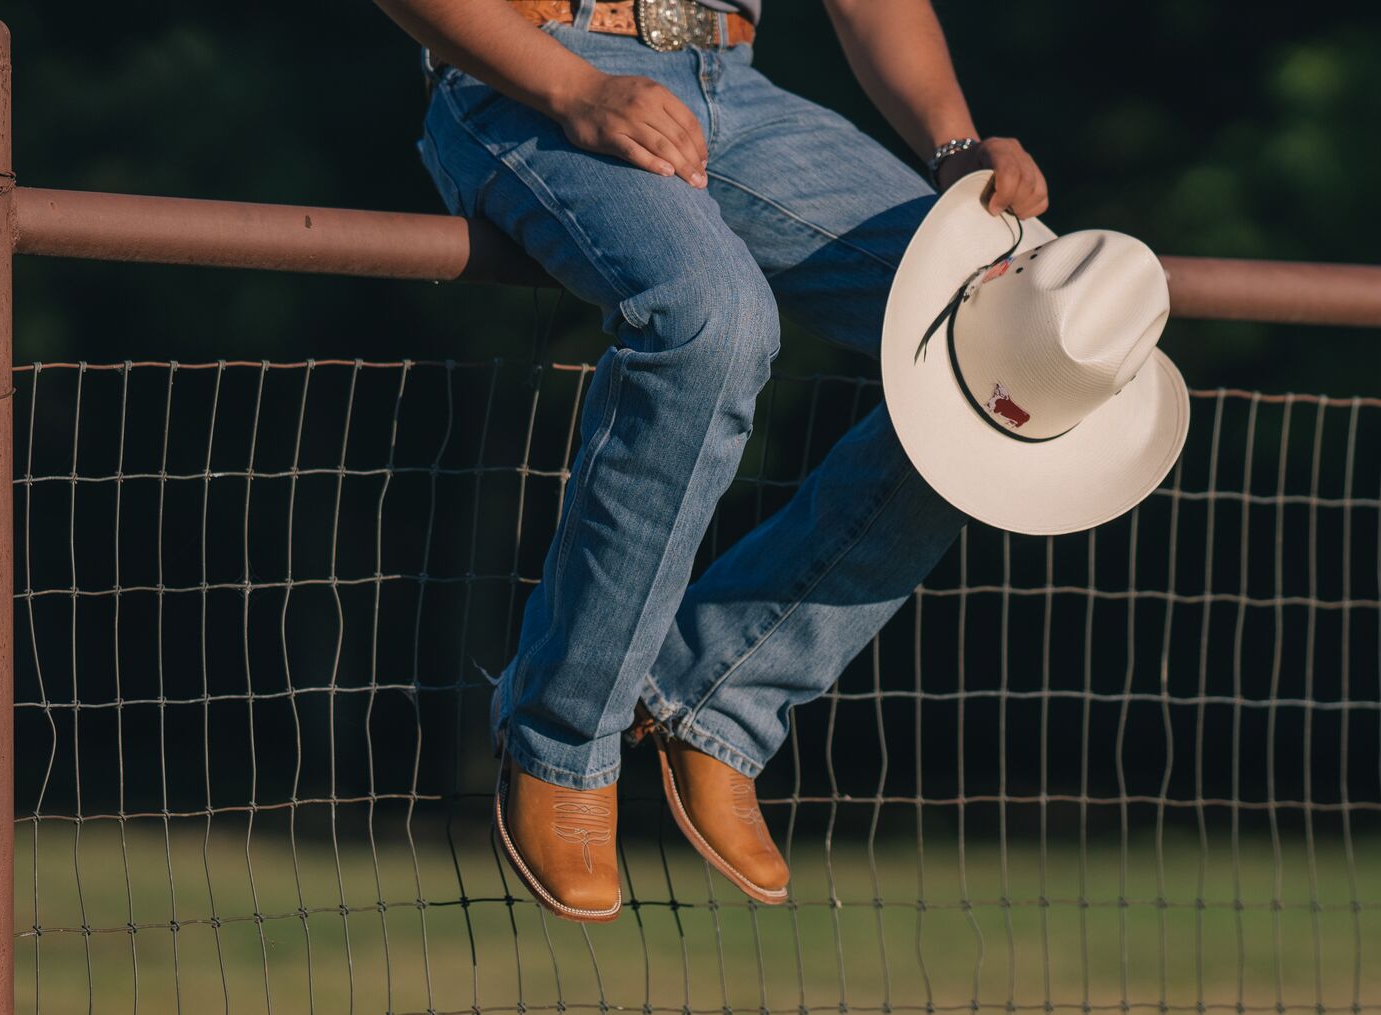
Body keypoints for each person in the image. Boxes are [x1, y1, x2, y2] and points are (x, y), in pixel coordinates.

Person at [373, 0, 1049, 923]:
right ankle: (563, 738)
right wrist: (571, 85)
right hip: (525, 68)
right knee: (714, 324)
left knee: (1010, 343)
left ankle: (718, 695)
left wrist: (954, 146)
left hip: (739, 84)